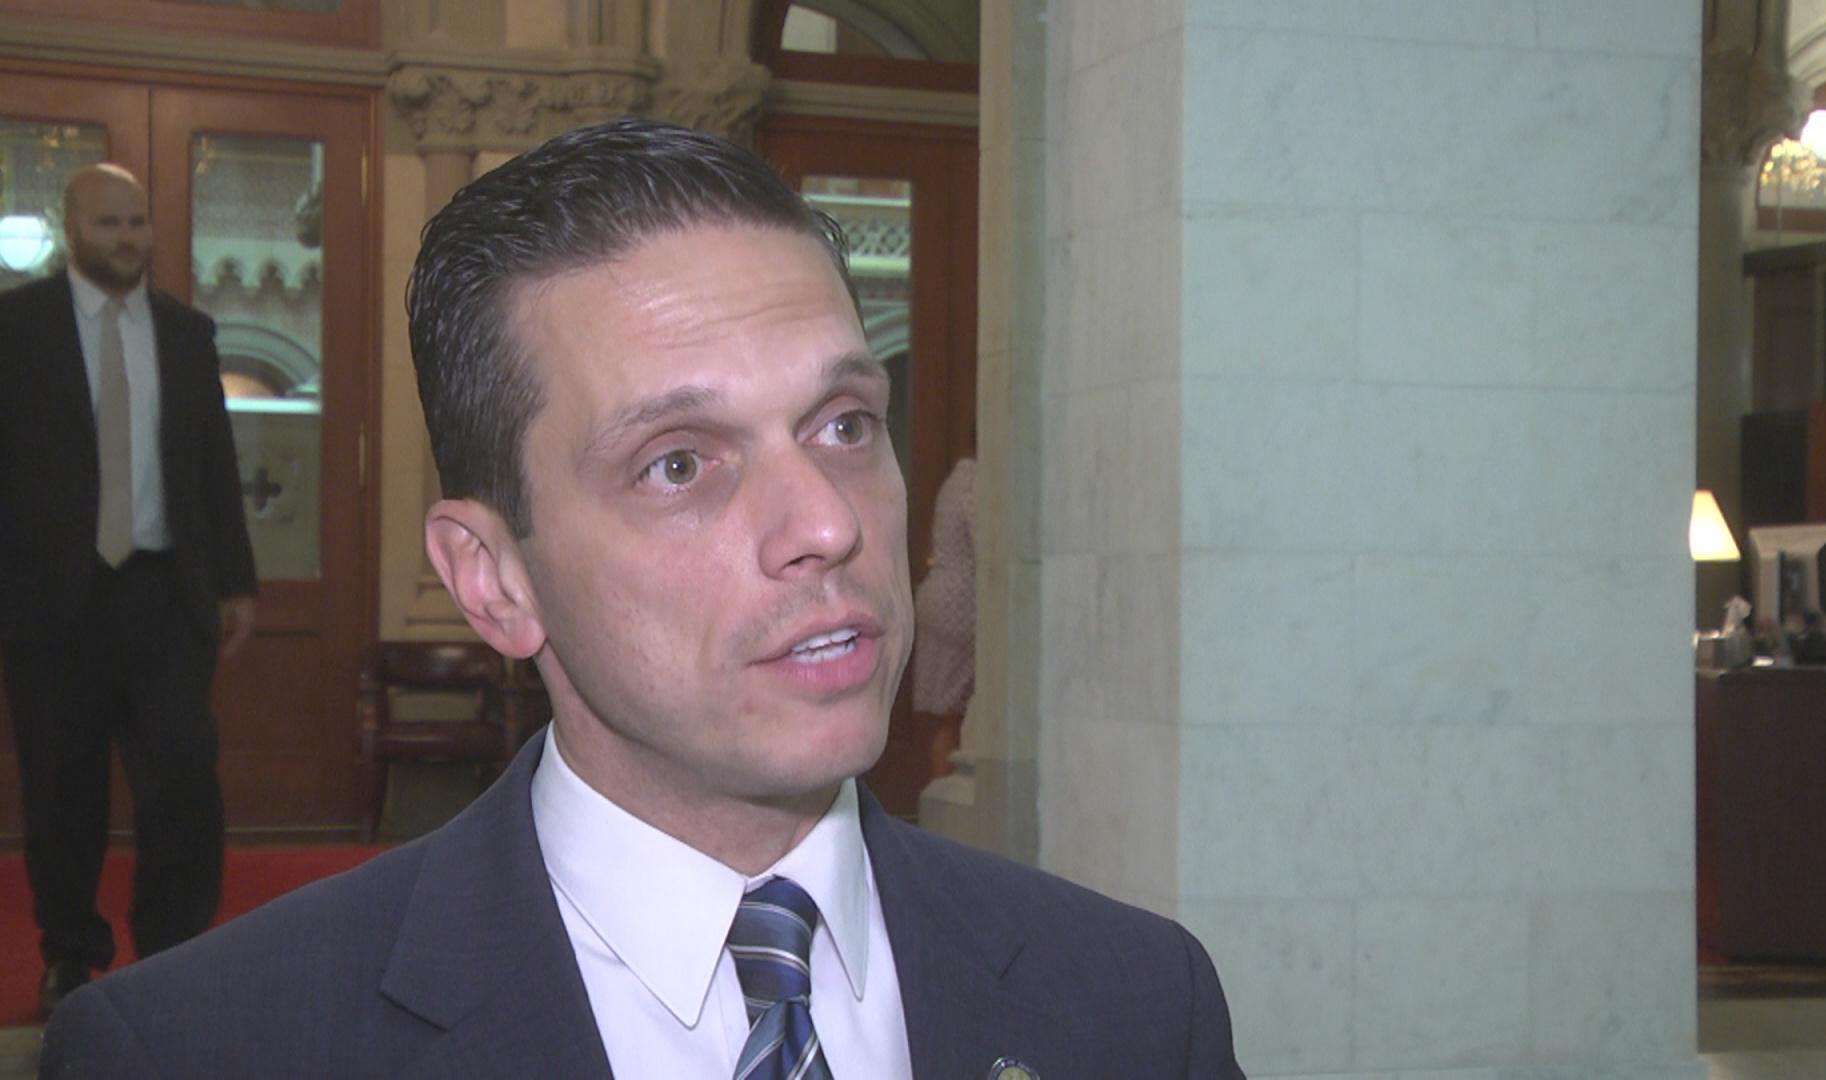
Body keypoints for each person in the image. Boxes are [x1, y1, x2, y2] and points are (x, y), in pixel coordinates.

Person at [40, 119, 1240, 1078]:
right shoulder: (203, 1050)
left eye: (843, 424)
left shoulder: (1138, 1004)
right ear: (495, 580)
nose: (828, 524)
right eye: (678, 464)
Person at [0, 163, 257, 1017]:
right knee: (61, 789)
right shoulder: (17, 329)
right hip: (52, 602)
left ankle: (173, 950)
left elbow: (213, 462)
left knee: (183, 777)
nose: (126, 238)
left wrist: (236, 580)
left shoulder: (186, 333)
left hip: (163, 594)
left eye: (137, 222)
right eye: (109, 223)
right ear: (71, 227)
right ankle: (70, 955)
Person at [913, 456, 976, 778]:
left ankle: (942, 789)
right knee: (957, 716)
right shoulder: (976, 484)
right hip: (962, 607)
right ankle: (948, 792)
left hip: (937, 599)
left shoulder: (954, 482)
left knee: (945, 717)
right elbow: (988, 544)